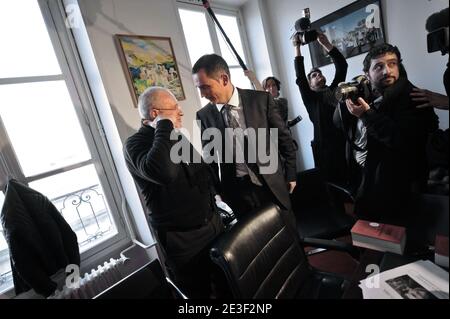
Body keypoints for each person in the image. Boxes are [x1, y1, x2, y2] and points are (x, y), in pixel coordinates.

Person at [123, 87, 225, 298]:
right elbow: (163, 172)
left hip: (212, 224)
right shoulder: (134, 144)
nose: (180, 112)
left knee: (226, 282)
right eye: (174, 108)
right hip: (183, 239)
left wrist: (217, 200)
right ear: (154, 114)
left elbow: (201, 172)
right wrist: (164, 124)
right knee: (198, 292)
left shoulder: (176, 136)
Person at [334, 43, 439, 223]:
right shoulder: (370, 95)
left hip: (400, 187)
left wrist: (367, 115)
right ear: (367, 74)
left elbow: (401, 140)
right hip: (370, 176)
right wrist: (348, 99)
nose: (387, 71)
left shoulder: (412, 96)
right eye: (379, 66)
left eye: (392, 64)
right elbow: (338, 123)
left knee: (401, 238)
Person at [193, 54, 297, 226]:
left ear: (224, 79)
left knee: (288, 233)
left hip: (271, 184)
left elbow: (284, 138)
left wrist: (291, 173)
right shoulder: (204, 116)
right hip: (237, 192)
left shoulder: (261, 100)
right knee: (254, 245)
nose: (203, 95)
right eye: (199, 89)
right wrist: (215, 192)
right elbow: (209, 158)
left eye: (205, 87)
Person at [293, 32, 348, 185]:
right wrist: (297, 48)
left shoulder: (335, 90)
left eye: (320, 73)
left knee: (349, 180)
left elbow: (342, 65)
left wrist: (326, 44)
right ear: (310, 84)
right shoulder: (310, 98)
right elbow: (300, 78)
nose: (318, 75)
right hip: (324, 149)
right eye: (314, 75)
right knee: (331, 186)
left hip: (343, 142)